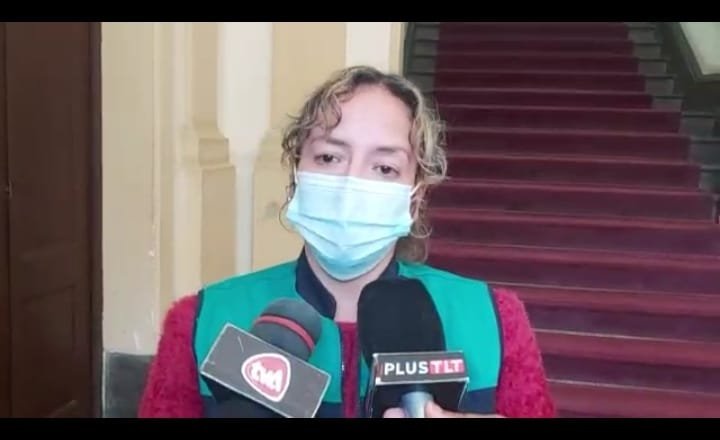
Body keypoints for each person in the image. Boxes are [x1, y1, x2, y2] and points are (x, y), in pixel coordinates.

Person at [138, 65, 556, 418]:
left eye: (384, 168)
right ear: (296, 173)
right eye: (329, 157)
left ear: (416, 195)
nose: (351, 183)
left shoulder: (493, 320)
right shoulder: (202, 321)